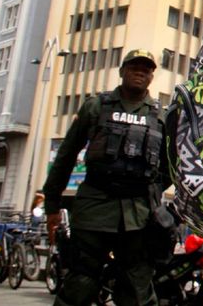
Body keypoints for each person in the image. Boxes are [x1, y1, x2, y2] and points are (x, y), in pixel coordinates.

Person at [42, 49, 168, 306]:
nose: (140, 73)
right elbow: (65, 157)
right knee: (80, 284)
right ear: (122, 71)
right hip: (94, 211)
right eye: (134, 67)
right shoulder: (96, 107)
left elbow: (168, 168)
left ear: (152, 76)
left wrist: (150, 195)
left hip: (139, 217)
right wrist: (52, 206)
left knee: (137, 291)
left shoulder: (161, 116)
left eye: (146, 69)